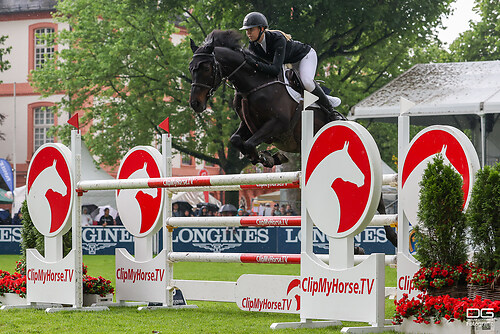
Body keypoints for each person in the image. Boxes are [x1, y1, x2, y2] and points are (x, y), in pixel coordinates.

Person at [240, 11, 341, 120]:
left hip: (304, 56)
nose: (248, 33)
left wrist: (254, 63)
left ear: (262, 29)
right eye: (247, 30)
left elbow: (274, 69)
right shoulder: (253, 45)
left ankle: (331, 112)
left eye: (251, 29)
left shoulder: (277, 39)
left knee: (306, 82)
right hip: (287, 63)